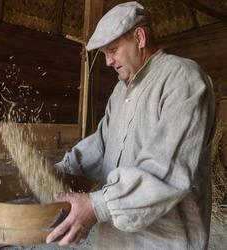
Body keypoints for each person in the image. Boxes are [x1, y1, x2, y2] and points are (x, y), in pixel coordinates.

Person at [46, 1, 215, 249]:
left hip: (166, 239)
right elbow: (102, 143)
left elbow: (164, 170)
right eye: (104, 53)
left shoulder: (183, 79)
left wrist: (97, 205)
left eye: (112, 50)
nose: (107, 61)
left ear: (140, 37)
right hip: (115, 235)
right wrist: (60, 169)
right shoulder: (121, 90)